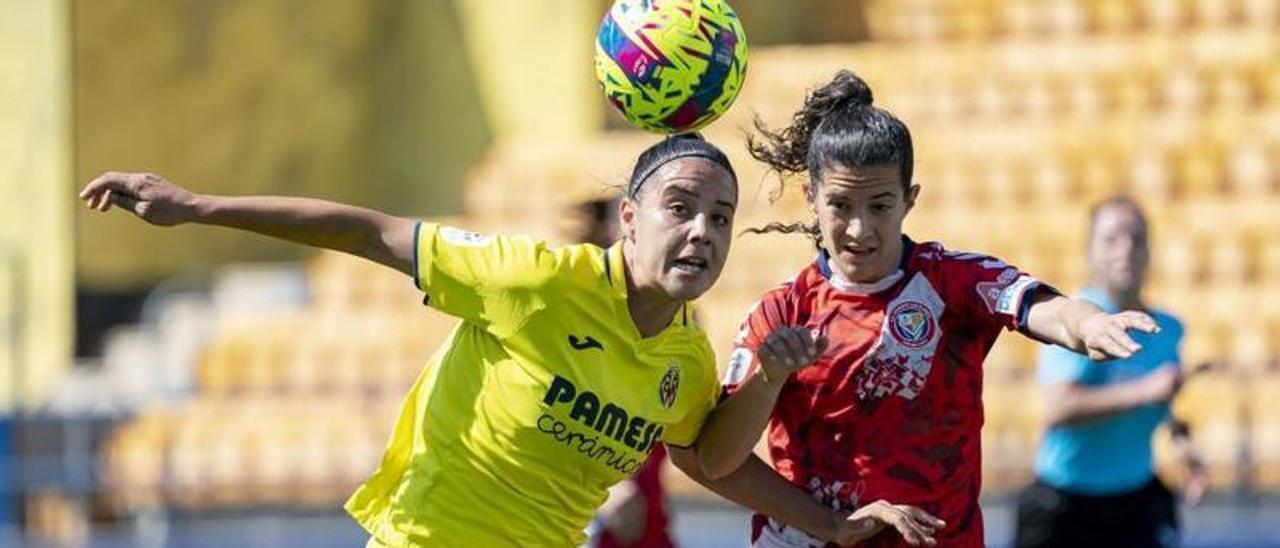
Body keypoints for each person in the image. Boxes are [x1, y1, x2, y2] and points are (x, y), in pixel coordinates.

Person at [79, 135, 895, 547]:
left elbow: (710, 456)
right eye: (681, 207)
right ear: (630, 219)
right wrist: (197, 206)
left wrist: (834, 523)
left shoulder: (687, 358)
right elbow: (370, 232)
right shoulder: (534, 279)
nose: (702, 232)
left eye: (720, 218)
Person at [690, 70, 1161, 547]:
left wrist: (1087, 322)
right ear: (811, 197)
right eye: (840, 205)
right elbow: (717, 460)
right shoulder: (782, 314)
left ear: (909, 200)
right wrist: (769, 378)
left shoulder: (950, 284)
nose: (859, 229)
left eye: (879, 206)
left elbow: (1041, 308)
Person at [1013, 196, 1207, 548]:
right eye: (1112, 239)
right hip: (1066, 505)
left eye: (1136, 238)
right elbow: (1058, 407)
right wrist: (1145, 390)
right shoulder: (1076, 322)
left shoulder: (1168, 328)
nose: (1126, 249)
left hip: (1136, 500)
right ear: (1090, 252)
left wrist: (1183, 447)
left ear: (1149, 250)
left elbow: (1167, 403)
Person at [571, 194, 675, 548]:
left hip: (650, 522)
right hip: (586, 518)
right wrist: (608, 487)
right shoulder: (580, 322)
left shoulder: (682, 327)